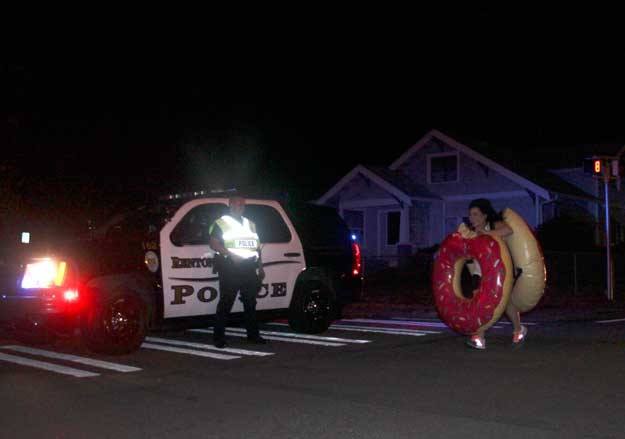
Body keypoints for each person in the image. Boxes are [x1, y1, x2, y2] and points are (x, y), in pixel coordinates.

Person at [465, 198, 527, 350]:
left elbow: (508, 231)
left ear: (484, 215)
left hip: (501, 270)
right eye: (470, 215)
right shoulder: (471, 232)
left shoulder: (494, 225)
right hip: (480, 272)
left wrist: (486, 233)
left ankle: (519, 329)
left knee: (505, 304)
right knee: (479, 302)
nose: (472, 218)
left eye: (475, 214)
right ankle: (479, 337)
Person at [209, 195, 266, 348]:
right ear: (230, 205)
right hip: (230, 267)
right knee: (226, 302)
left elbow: (256, 248)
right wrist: (231, 255)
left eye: (242, 204)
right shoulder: (221, 223)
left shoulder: (250, 224)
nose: (240, 206)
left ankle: (253, 335)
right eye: (237, 204)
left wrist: (260, 267)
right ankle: (219, 338)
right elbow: (213, 244)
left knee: (250, 303)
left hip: (249, 267)